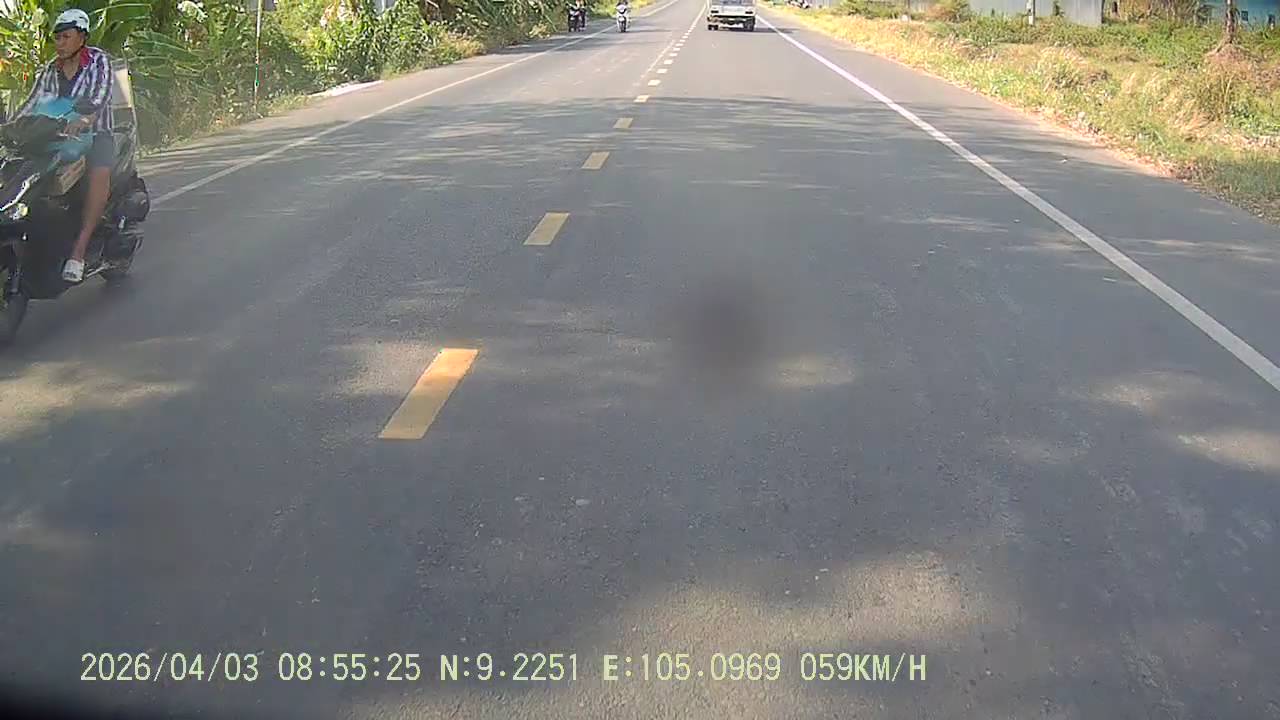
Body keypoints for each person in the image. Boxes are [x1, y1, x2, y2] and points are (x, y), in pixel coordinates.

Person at [12, 9, 114, 283]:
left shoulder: (99, 61)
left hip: (96, 134)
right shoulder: (50, 70)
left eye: (66, 37)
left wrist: (84, 119)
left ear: (82, 37)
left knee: (99, 173)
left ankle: (78, 253)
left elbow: (101, 95)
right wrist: (11, 127)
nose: (60, 43)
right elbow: (30, 104)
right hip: (54, 140)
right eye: (57, 38)